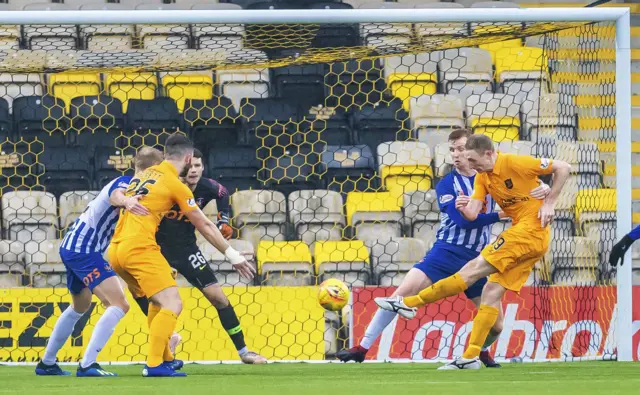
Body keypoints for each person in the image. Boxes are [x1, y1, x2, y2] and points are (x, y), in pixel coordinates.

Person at [336, 129, 550, 367]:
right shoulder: (448, 184)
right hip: (446, 252)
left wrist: (543, 189)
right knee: (398, 296)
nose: (456, 155)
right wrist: (500, 214)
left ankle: (481, 352)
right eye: (452, 150)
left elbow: (523, 187)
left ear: (474, 151)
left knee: (497, 325)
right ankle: (361, 348)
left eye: (460, 149)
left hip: (479, 253)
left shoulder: (491, 175)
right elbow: (462, 221)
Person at [108, 133, 255, 377]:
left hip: (117, 250)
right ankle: (154, 364)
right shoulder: (175, 183)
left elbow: (117, 196)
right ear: (188, 157)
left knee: (157, 302)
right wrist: (234, 255)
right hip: (141, 248)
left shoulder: (144, 175)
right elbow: (205, 225)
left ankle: (165, 358)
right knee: (173, 304)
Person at [35, 147, 164, 377]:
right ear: (153, 170)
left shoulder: (136, 188)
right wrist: (127, 202)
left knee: (80, 305)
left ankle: (47, 363)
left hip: (73, 246)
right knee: (119, 304)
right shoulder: (126, 184)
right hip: (84, 249)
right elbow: (117, 195)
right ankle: (87, 364)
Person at [133, 148, 266, 364]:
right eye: (190, 165)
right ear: (183, 165)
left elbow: (223, 192)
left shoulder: (208, 188)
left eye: (198, 165)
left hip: (188, 251)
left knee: (219, 298)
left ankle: (244, 352)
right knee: (153, 300)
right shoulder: (168, 185)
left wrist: (223, 220)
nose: (193, 170)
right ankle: (167, 343)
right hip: (159, 250)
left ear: (203, 167)